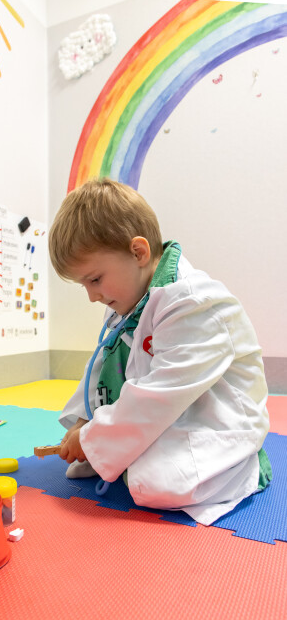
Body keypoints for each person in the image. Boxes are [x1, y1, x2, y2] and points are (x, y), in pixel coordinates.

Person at [48, 178, 272, 526]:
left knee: (160, 483)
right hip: (170, 410)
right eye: (84, 285)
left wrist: (94, 437)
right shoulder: (126, 304)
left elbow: (160, 393)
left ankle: (247, 465)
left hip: (215, 415)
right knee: (119, 465)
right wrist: (84, 419)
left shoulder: (194, 303)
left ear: (138, 253)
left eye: (94, 279)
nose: (91, 297)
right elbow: (102, 365)